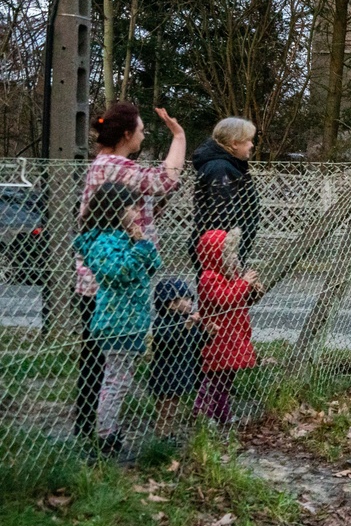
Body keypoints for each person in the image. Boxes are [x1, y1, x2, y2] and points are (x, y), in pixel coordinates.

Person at [74, 103, 185, 441]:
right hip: (107, 281)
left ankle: (93, 427)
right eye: (140, 129)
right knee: (101, 363)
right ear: (126, 134)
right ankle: (96, 430)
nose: (143, 133)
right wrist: (179, 136)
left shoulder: (110, 165)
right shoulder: (114, 166)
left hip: (107, 277)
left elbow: (151, 200)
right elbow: (166, 179)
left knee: (98, 361)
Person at [74, 182, 162, 456]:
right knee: (116, 380)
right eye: (132, 206)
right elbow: (119, 271)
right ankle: (106, 434)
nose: (138, 211)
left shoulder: (125, 237)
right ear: (115, 209)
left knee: (120, 378)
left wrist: (140, 241)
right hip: (116, 321)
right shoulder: (104, 241)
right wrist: (137, 248)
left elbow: (153, 266)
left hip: (131, 320)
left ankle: (109, 428)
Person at [194, 228, 263, 424]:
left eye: (234, 253)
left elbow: (240, 301)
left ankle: (222, 413)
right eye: (229, 254)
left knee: (226, 380)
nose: (234, 258)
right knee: (214, 377)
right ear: (216, 256)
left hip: (235, 335)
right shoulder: (208, 277)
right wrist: (243, 284)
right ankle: (203, 411)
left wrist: (253, 291)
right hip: (218, 337)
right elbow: (223, 299)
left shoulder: (231, 278)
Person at [150, 279, 217, 441]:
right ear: (171, 304)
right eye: (185, 299)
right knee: (166, 407)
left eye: (190, 299)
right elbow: (167, 342)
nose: (190, 303)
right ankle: (162, 436)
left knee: (174, 407)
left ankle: (168, 434)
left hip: (180, 373)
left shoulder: (188, 320)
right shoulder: (162, 323)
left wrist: (208, 334)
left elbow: (196, 342)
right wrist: (184, 328)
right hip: (165, 374)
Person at [190, 117, 260, 268]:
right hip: (222, 251)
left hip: (227, 249)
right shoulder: (221, 169)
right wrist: (231, 253)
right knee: (221, 290)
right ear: (234, 143)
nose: (251, 145)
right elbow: (223, 216)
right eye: (248, 140)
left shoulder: (231, 166)